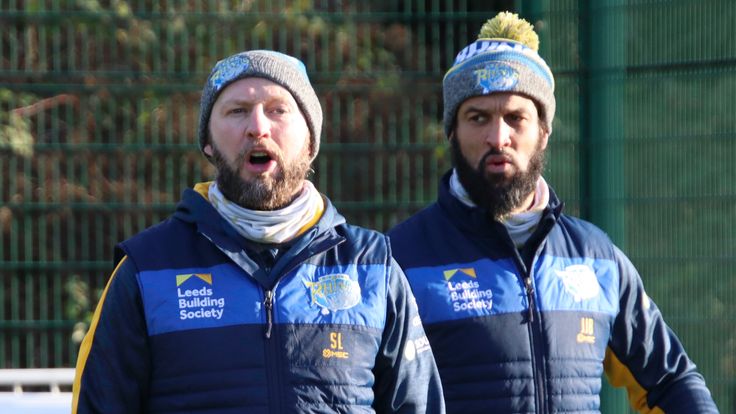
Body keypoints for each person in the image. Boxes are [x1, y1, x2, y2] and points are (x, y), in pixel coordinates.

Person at [72, 49, 445, 414]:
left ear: (311, 140)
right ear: (207, 141)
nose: (258, 127)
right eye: (237, 111)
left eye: (278, 110)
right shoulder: (146, 270)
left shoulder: (373, 268)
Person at [387, 11, 719, 414]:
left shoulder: (595, 256)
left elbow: (670, 380)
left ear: (543, 131)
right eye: (478, 118)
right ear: (452, 131)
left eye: (516, 118)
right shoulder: (400, 258)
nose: (498, 138)